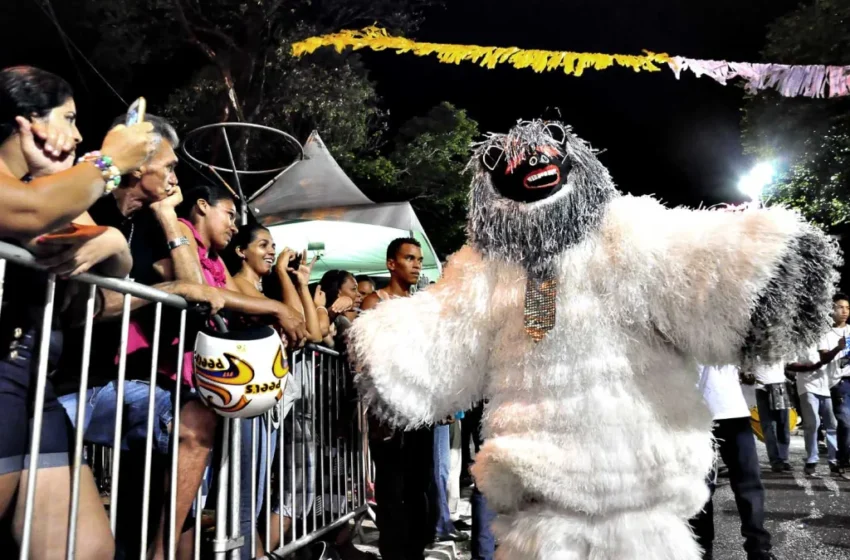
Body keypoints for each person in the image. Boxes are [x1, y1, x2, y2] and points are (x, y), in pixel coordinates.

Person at [0, 65, 154, 559]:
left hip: (34, 388)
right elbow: (29, 210)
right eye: (68, 118)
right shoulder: (24, 199)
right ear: (30, 122)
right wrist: (109, 160)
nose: (79, 133)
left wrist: (111, 240)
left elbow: (107, 293)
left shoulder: (40, 192)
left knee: (85, 548)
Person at [360, 237, 437, 560]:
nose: (417, 265)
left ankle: (415, 551)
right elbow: (365, 360)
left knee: (420, 487)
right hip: (387, 413)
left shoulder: (423, 306)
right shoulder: (373, 303)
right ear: (392, 263)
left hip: (421, 410)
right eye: (410, 258)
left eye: (419, 259)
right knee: (392, 490)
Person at [691, 365, 775, 560]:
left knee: (749, 483)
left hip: (733, 411)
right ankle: (701, 550)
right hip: (692, 416)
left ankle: (759, 550)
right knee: (699, 486)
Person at [818, 293, 850, 480]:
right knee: (845, 423)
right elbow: (823, 358)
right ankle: (843, 462)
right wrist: (838, 348)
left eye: (847, 307)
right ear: (831, 310)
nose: (844, 311)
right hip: (840, 383)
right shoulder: (826, 334)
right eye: (840, 307)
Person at [753, 359, 793, 473]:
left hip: (780, 386)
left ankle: (784, 459)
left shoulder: (780, 344)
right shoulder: (752, 346)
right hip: (761, 388)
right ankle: (775, 461)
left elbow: (790, 362)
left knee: (783, 424)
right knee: (768, 426)